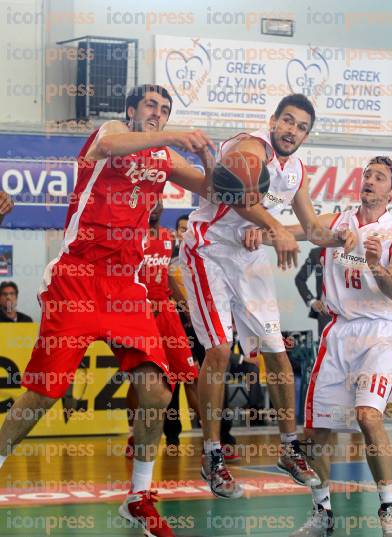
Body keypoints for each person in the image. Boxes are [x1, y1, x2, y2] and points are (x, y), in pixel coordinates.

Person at [0, 84, 216, 537]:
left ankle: (139, 497)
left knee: (157, 391)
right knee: (44, 393)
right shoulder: (112, 133)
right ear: (132, 110)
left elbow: (214, 189)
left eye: (165, 109)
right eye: (151, 106)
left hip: (125, 285)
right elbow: (111, 144)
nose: (157, 113)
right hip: (77, 276)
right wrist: (175, 135)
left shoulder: (164, 158)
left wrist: (216, 162)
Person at [181, 93, 355, 499]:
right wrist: (275, 228)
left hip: (250, 258)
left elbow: (311, 227)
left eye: (301, 127)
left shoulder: (296, 170)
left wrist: (344, 240)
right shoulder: (249, 146)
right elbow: (240, 197)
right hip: (209, 248)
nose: (293, 131)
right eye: (288, 121)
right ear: (273, 120)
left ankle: (290, 448)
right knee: (221, 351)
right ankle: (212, 453)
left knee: (278, 351)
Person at [288, 156, 392, 537]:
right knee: (318, 432)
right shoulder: (339, 222)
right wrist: (263, 230)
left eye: (379, 177)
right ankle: (322, 513)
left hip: (381, 331)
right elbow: (303, 230)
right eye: (367, 174)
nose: (369, 180)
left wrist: (375, 266)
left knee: (369, 416)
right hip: (339, 331)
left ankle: (388, 507)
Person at [125, 199, 200, 455]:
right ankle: (133, 435)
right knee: (140, 380)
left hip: (166, 311)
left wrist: (185, 304)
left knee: (191, 374)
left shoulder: (168, 236)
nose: (155, 206)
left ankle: (212, 443)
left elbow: (167, 273)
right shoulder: (131, 235)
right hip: (139, 313)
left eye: (159, 201)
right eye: (150, 201)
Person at [295, 247, 331, 338]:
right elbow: (300, 279)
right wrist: (312, 301)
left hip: (352, 315)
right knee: (325, 350)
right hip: (325, 315)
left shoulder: (355, 252)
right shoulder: (316, 253)